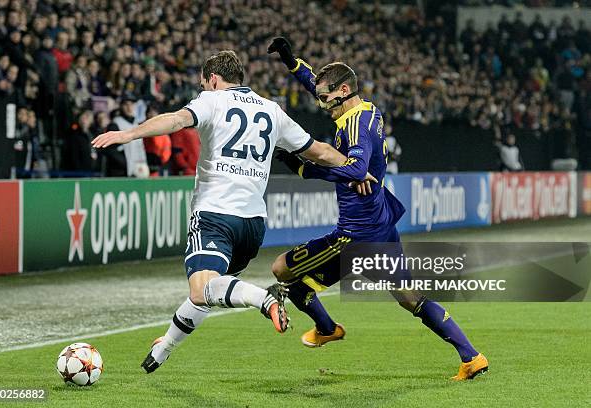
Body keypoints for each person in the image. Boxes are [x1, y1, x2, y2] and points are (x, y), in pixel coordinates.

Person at [91, 50, 366, 374]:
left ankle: (264, 300)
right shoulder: (271, 109)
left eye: (203, 84)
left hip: (214, 215)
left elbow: (177, 119)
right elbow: (319, 151)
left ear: (213, 79)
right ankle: (162, 350)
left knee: (203, 287)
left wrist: (129, 134)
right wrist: (356, 169)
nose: (203, 89)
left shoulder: (212, 100)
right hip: (253, 225)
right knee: (210, 290)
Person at [268, 37, 488, 381]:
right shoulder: (365, 110)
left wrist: (303, 167)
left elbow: (356, 170)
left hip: (356, 233)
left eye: (327, 98)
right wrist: (292, 62)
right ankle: (471, 355)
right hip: (380, 220)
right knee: (408, 296)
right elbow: (316, 85)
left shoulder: (356, 126)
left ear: (343, 90)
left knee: (282, 270)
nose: (323, 104)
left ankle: (327, 328)